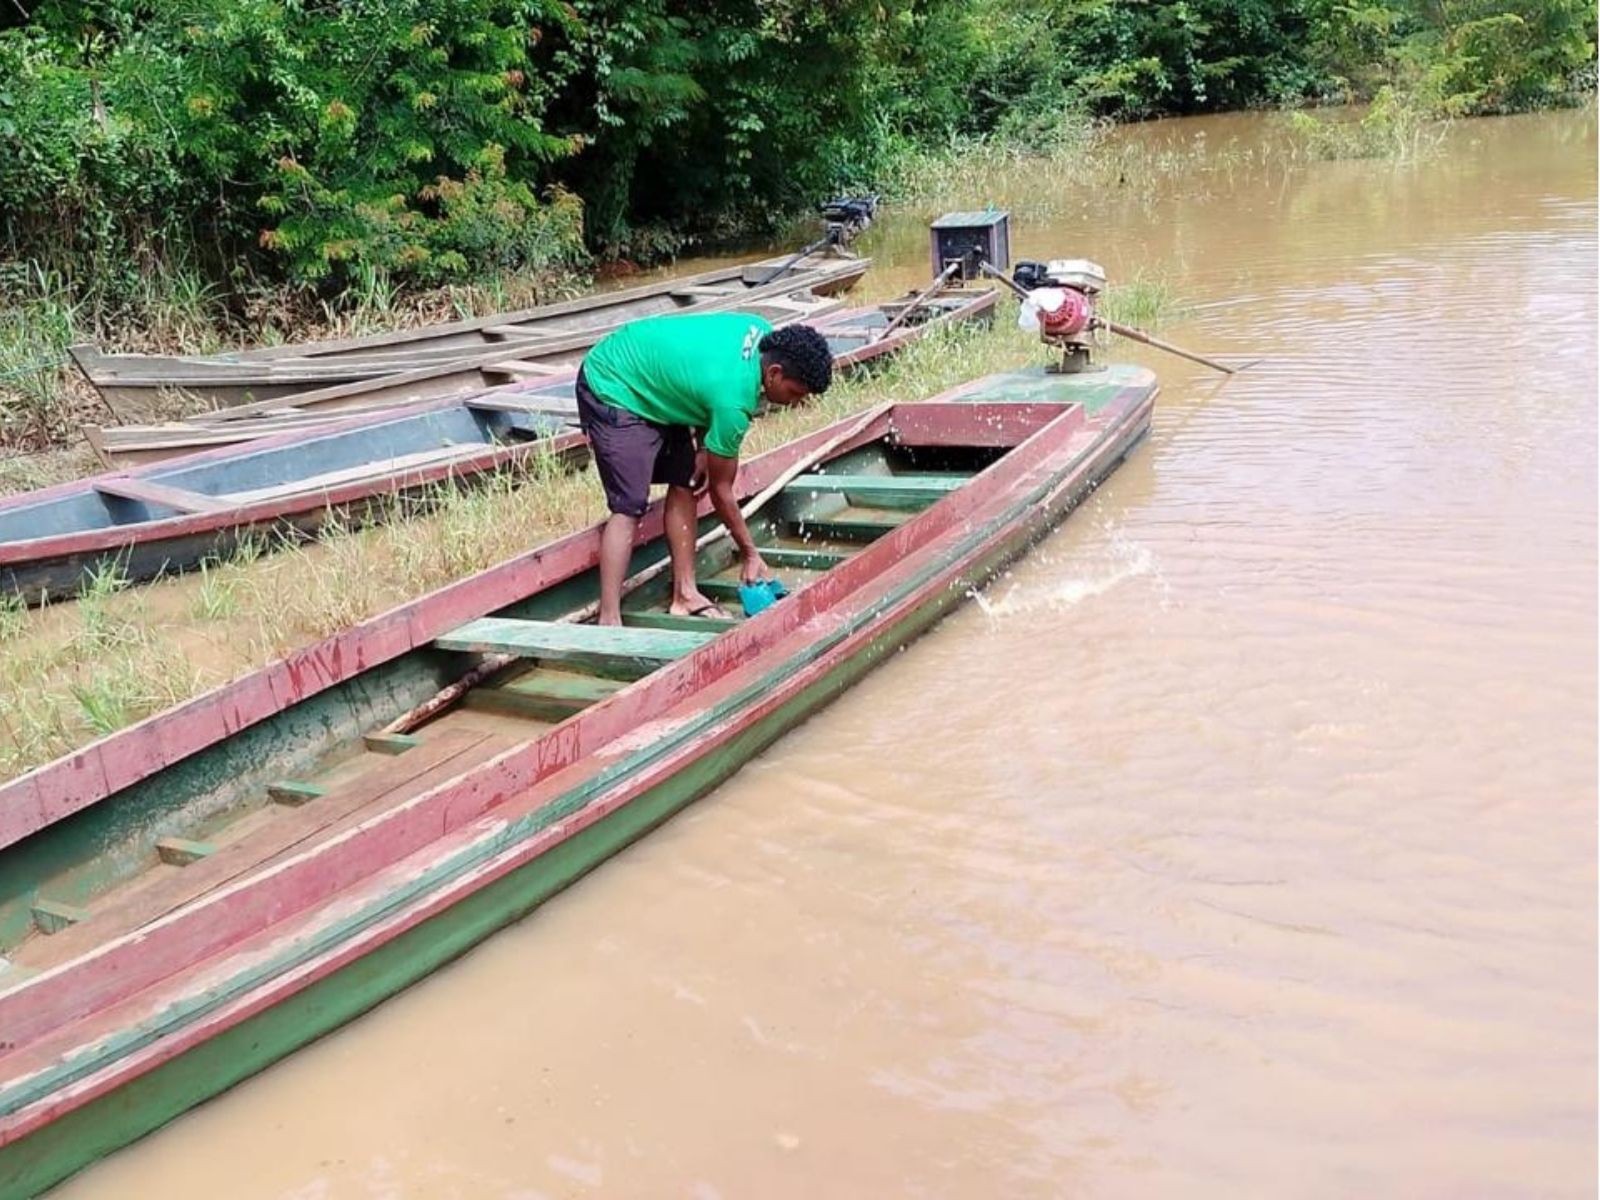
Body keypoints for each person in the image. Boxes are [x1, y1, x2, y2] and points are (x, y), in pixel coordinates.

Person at [575, 313, 833, 625]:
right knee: (629, 504)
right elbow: (721, 491)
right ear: (774, 373)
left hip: (655, 376)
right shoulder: (734, 404)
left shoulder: (761, 332)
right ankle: (609, 618)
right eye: (795, 394)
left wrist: (703, 448)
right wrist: (750, 553)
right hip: (613, 381)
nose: (795, 403)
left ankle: (684, 594)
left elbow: (698, 379)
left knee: (687, 479)